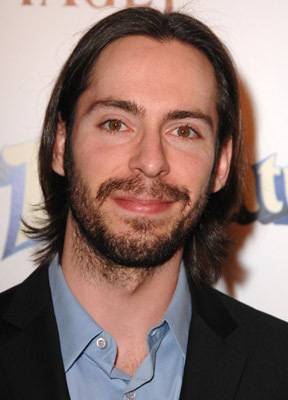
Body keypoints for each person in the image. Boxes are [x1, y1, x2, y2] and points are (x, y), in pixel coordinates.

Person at [1, 7, 288, 400]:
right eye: (116, 124)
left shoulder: (279, 365)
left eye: (184, 130)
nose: (151, 161)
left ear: (220, 165)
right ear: (60, 145)